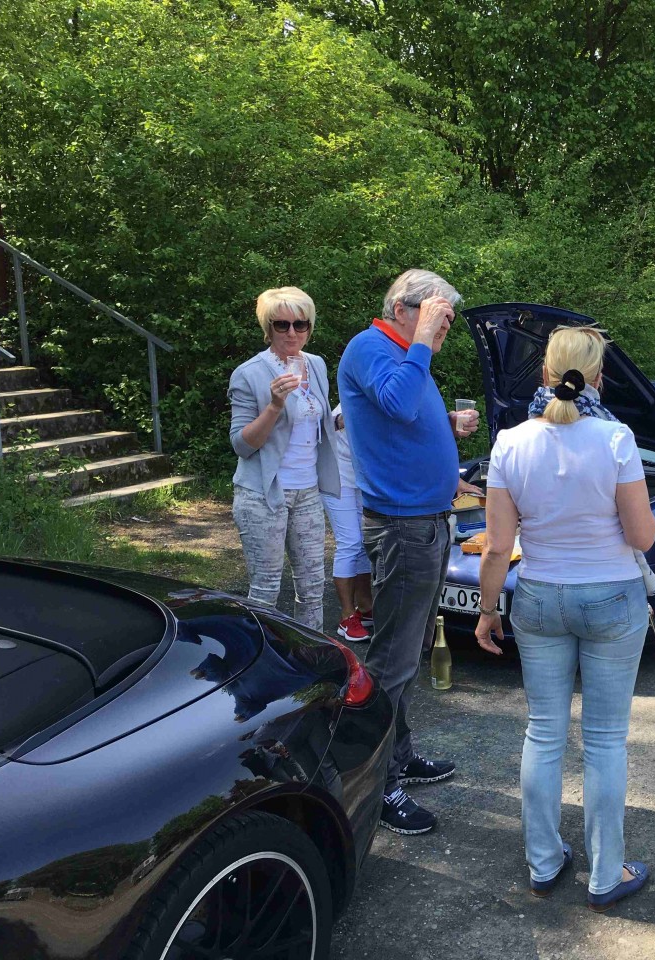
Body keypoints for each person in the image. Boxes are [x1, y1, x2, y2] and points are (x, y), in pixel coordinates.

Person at [474, 326, 655, 912]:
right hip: (611, 597)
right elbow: (642, 536)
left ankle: (544, 861)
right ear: (598, 377)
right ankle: (606, 875)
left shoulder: (510, 442)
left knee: (544, 732)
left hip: (538, 596)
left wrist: (486, 610)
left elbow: (497, 547)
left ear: (544, 374)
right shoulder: (616, 438)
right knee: (604, 741)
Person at [337, 268, 482, 836]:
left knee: (411, 652)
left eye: (446, 318)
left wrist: (447, 423)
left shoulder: (402, 353)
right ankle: (377, 785)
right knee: (391, 663)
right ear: (404, 308)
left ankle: (399, 755)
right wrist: (421, 341)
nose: (445, 326)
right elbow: (397, 404)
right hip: (401, 527)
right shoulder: (371, 347)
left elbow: (398, 417)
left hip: (428, 522)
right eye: (438, 314)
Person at [228, 286, 340, 632]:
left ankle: (311, 655)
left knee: (313, 586)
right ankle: (263, 657)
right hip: (264, 494)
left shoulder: (316, 365)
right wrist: (275, 406)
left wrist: (342, 420)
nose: (292, 332)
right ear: (268, 328)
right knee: (266, 590)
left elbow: (317, 421)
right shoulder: (249, 373)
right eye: (282, 324)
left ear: (309, 327)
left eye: (300, 324)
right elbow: (242, 445)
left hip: (308, 491)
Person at [321, 404, 374, 641]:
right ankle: (346, 616)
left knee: (364, 541)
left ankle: (366, 606)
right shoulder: (350, 404)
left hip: (361, 478)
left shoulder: (383, 400)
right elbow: (329, 425)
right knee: (349, 542)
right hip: (336, 478)